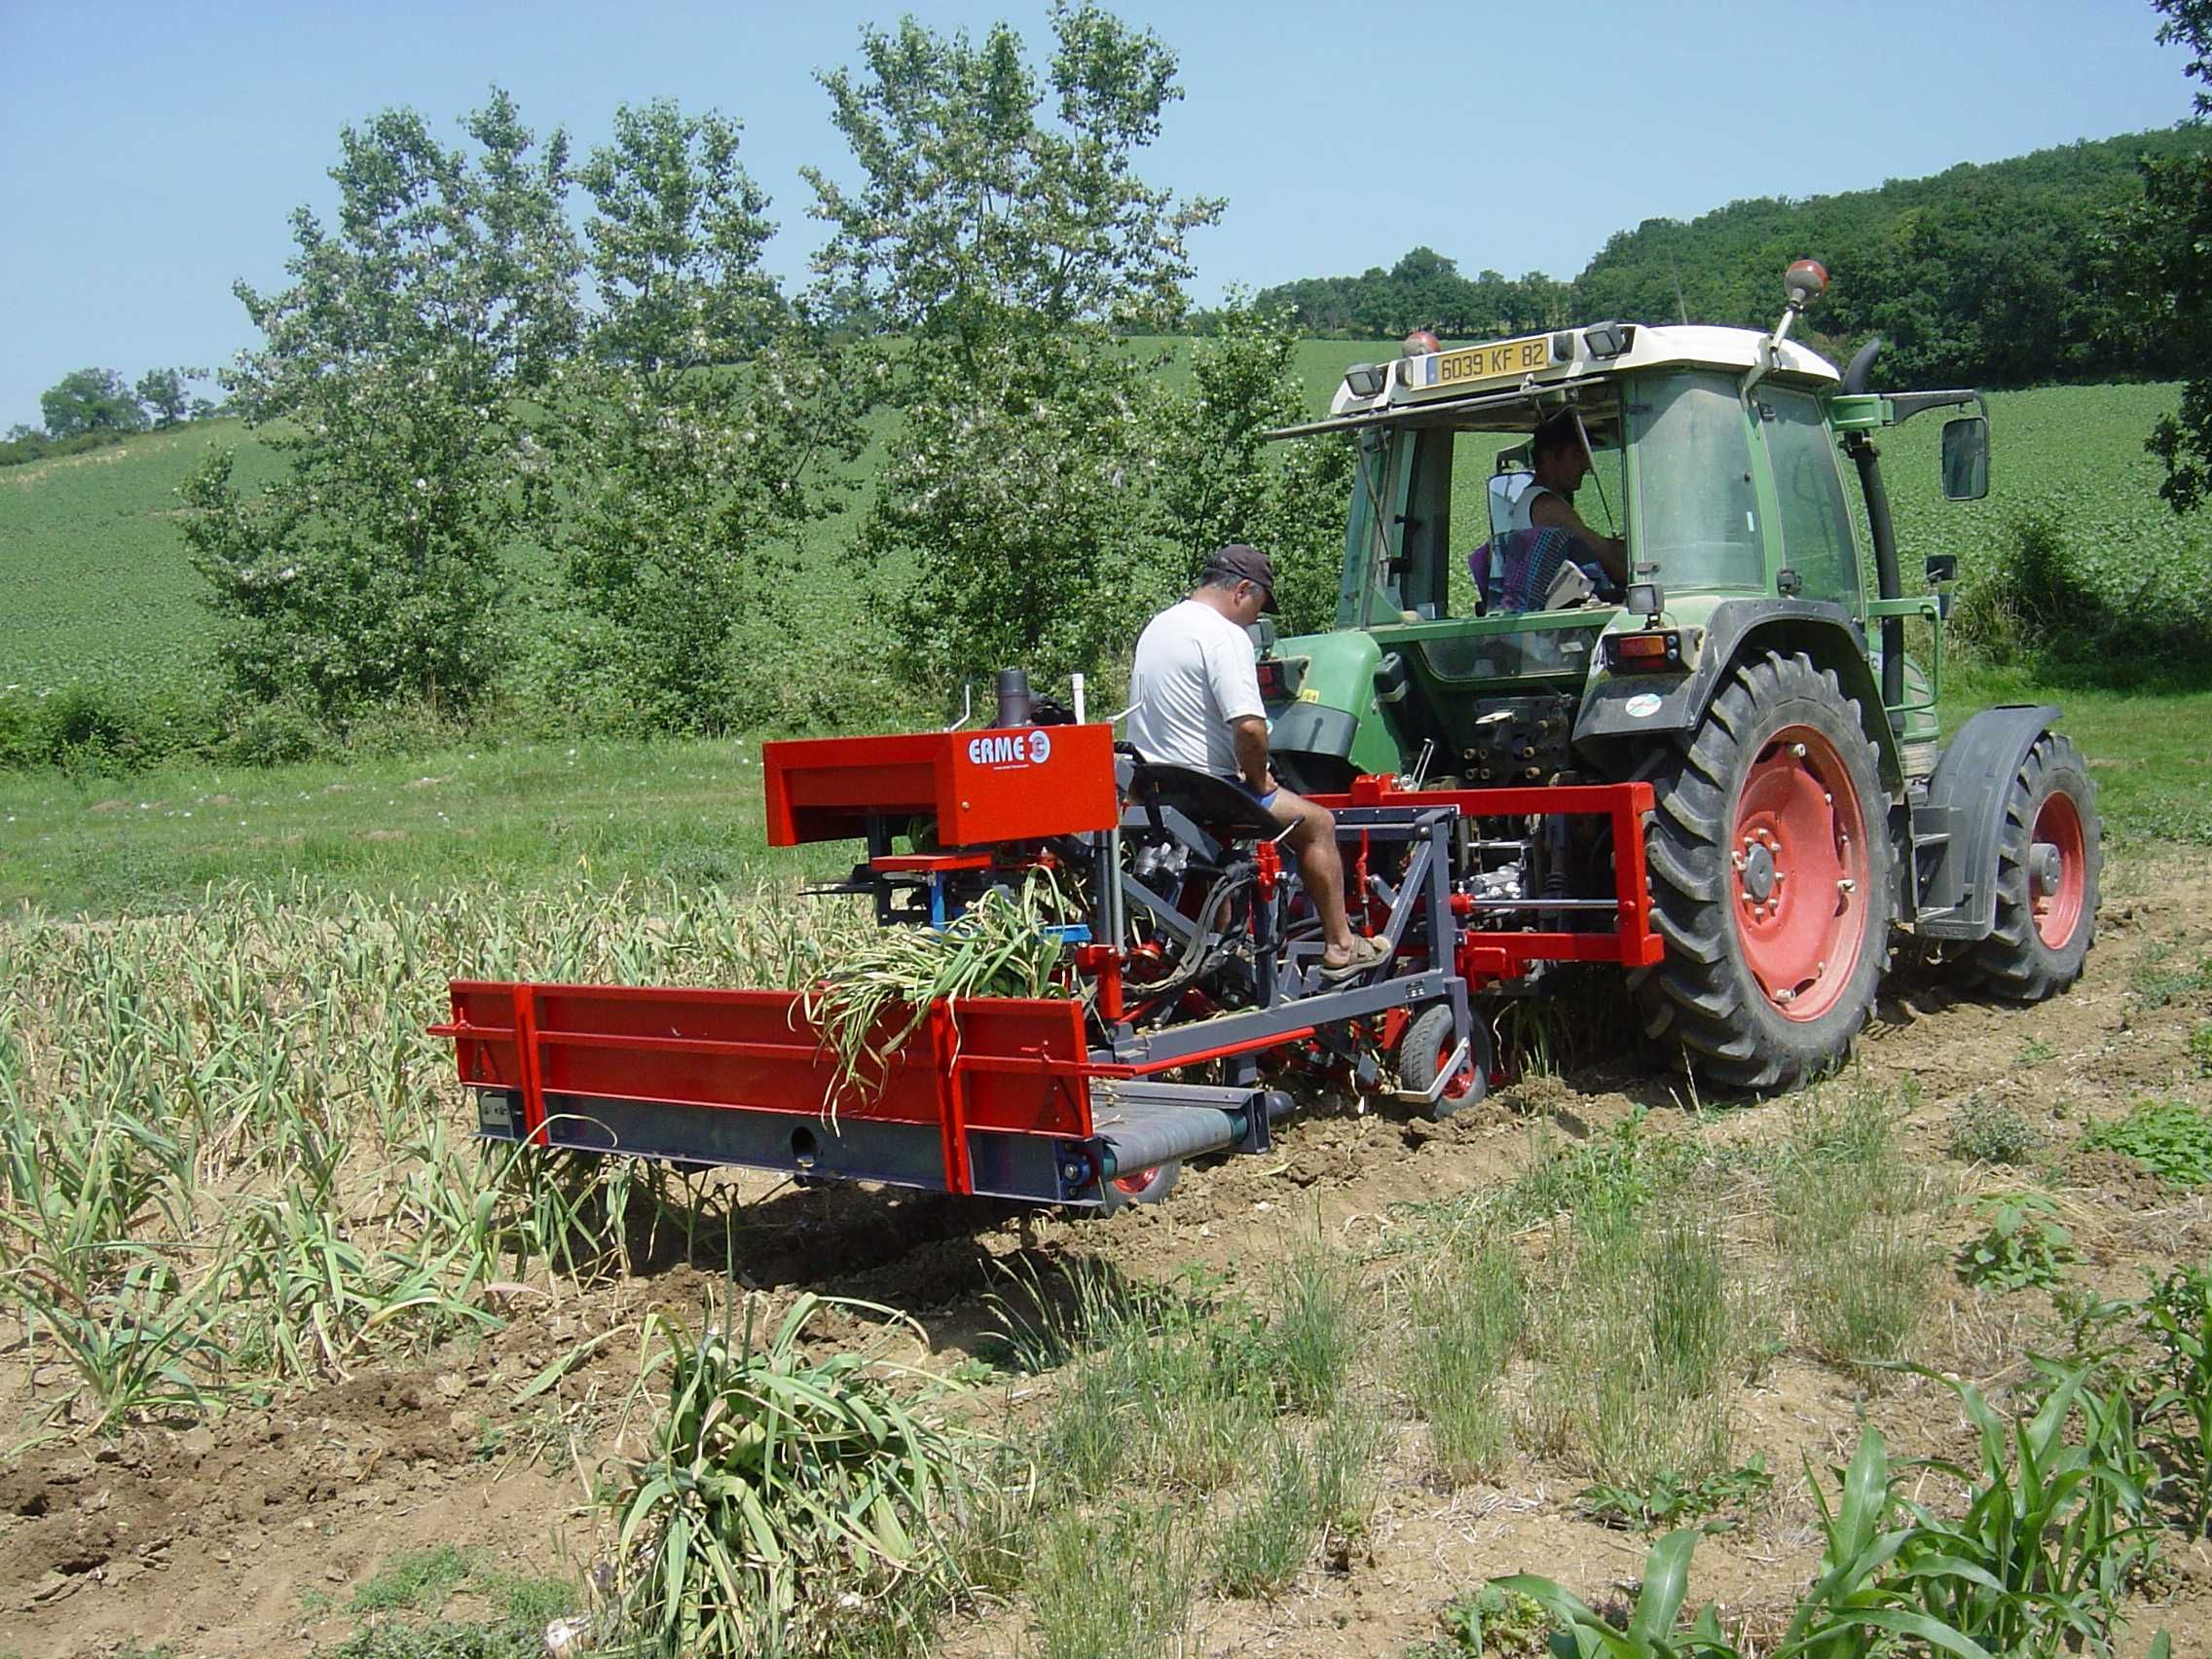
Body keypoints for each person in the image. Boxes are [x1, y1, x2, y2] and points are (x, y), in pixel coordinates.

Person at [1125, 545, 1391, 983]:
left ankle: (1219, 952)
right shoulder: (1224, 635)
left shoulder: (1160, 626)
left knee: (1214, 852)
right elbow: (1249, 728)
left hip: (1152, 784)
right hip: (1205, 785)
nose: (1254, 619)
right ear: (1242, 590)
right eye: (1257, 606)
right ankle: (1343, 946)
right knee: (1318, 824)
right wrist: (1259, 779)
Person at [1516, 413, 1627, 589]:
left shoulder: (1530, 500)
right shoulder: (1547, 507)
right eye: (1577, 454)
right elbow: (1610, 560)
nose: (1586, 465)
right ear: (1549, 457)